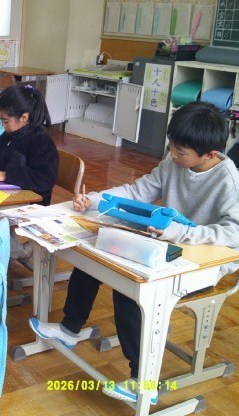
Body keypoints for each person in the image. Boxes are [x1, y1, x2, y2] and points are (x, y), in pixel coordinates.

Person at [29, 101, 239, 404]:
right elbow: (139, 191)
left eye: (180, 152)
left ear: (210, 154)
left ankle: (143, 382)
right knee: (97, 254)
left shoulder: (228, 181)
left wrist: (181, 233)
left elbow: (233, 234)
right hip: (169, 244)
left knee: (131, 287)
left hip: (206, 262)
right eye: (171, 147)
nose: (173, 155)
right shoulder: (174, 161)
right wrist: (95, 200)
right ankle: (69, 328)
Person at [0, 85, 59, 205]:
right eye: (0, 120)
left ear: (24, 117)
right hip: (7, 194)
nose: (2, 125)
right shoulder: (8, 136)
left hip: (30, 204)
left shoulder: (41, 141)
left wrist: (7, 175)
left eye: (5, 121)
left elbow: (44, 179)